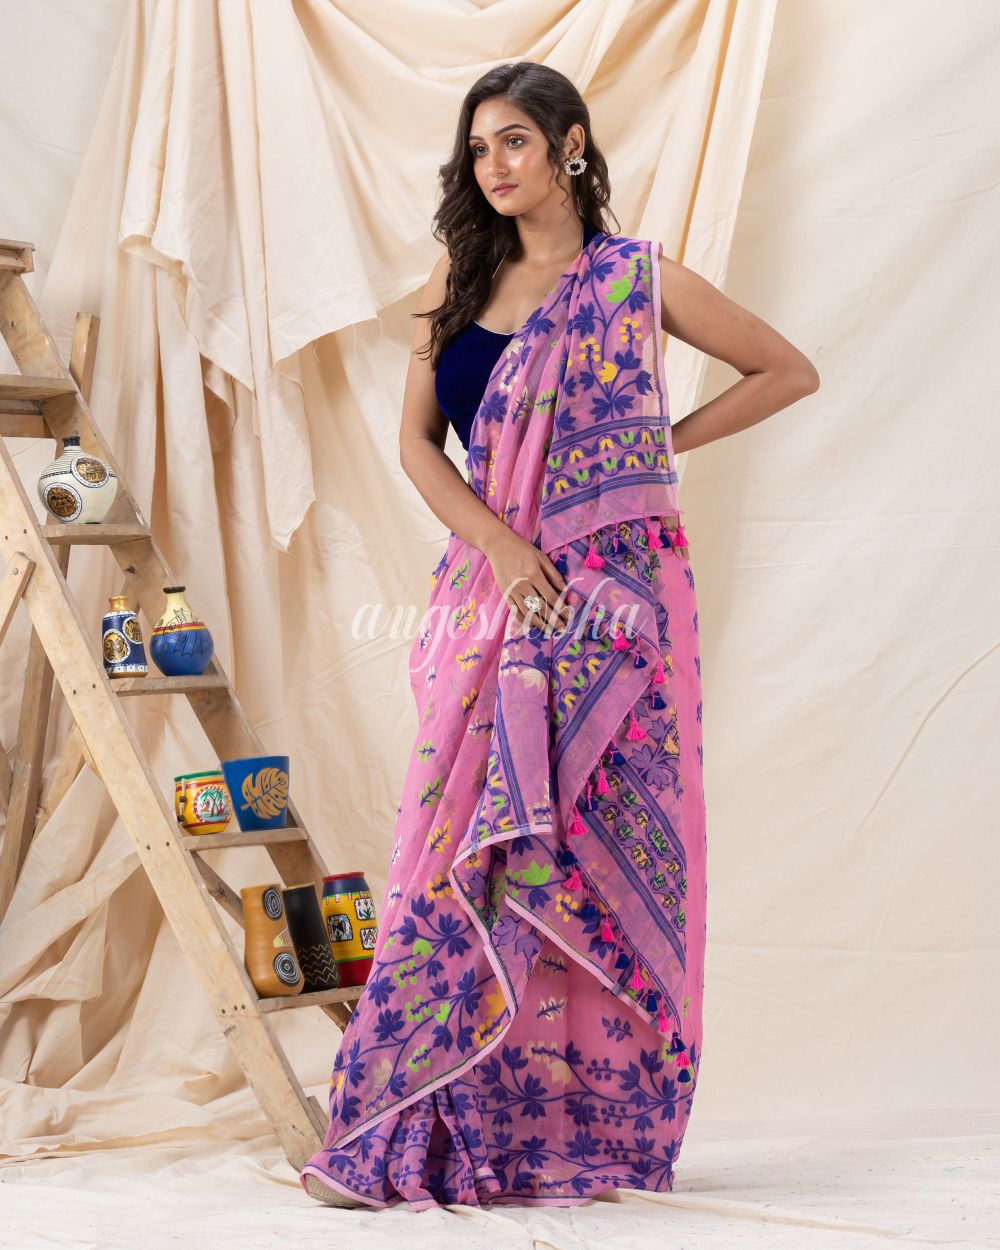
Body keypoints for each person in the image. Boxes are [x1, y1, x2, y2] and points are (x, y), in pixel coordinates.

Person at [300, 60, 819, 1211]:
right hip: (492, 597)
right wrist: (497, 542)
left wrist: (649, 445)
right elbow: (417, 444)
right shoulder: (456, 280)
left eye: (514, 141)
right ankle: (421, 1115)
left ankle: (583, 1125)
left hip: (612, 606)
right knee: (459, 845)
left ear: (569, 146)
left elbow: (787, 370)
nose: (492, 164)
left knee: (589, 853)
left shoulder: (635, 279)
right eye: (478, 146)